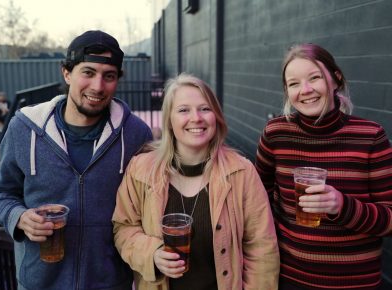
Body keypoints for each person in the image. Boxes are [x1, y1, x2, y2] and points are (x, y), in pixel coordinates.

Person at [0, 30, 152, 290]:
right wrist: (19, 217)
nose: (98, 87)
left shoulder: (136, 134)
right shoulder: (24, 128)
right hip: (39, 284)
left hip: (110, 283)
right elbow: (0, 191)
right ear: (67, 73)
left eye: (108, 76)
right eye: (88, 72)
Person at [112, 73, 280, 290]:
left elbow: (262, 248)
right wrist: (151, 253)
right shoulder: (141, 170)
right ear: (170, 121)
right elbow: (123, 228)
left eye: (205, 108)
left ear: (216, 116)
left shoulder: (242, 172)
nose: (196, 118)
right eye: (183, 110)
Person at [255, 43, 392, 290]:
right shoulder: (276, 133)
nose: (305, 90)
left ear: (336, 79)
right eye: (294, 83)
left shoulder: (370, 136)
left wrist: (342, 205)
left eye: (314, 78)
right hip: (290, 279)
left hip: (355, 283)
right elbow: (256, 199)